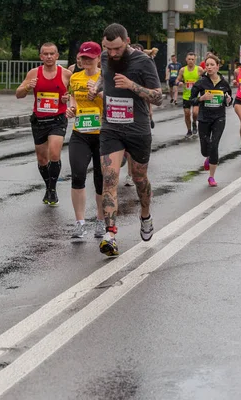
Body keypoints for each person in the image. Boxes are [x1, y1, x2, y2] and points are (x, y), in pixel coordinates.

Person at [88, 23, 162, 257]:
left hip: (138, 130)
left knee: (139, 178)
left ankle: (146, 214)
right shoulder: (105, 57)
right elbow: (105, 78)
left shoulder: (143, 62)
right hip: (111, 127)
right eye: (108, 48)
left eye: (117, 48)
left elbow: (159, 97)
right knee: (109, 179)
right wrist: (96, 88)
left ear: (127, 41)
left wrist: (132, 86)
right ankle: (110, 234)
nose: (112, 53)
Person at [16, 42, 71, 206]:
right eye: (45, 54)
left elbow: (75, 93)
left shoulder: (66, 74)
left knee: (54, 154)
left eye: (51, 54)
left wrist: (68, 99)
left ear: (57, 56)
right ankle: (48, 187)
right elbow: (18, 94)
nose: (48, 57)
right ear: (41, 56)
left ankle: (52, 191)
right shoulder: (34, 73)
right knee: (42, 159)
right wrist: (27, 87)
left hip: (58, 119)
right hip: (39, 120)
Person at [64, 42, 105, 239]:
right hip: (80, 132)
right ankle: (80, 223)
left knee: (100, 180)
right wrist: (70, 109)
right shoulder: (75, 77)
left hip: (102, 134)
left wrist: (98, 91)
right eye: (83, 58)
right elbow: (73, 99)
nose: (86, 61)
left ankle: (100, 220)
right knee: (78, 175)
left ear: (98, 58)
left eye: (90, 58)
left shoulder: (104, 78)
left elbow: (113, 101)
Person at [190, 54, 232, 187]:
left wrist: (228, 100)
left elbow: (229, 101)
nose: (209, 67)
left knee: (214, 145)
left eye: (212, 65)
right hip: (204, 118)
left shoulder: (224, 83)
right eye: (207, 65)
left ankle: (211, 177)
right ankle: (207, 157)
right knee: (205, 149)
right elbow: (190, 100)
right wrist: (201, 99)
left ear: (217, 66)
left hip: (219, 117)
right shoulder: (201, 82)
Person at [176, 52, 204, 138]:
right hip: (186, 95)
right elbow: (177, 80)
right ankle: (189, 130)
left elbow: (206, 78)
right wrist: (179, 83)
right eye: (189, 59)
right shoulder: (183, 70)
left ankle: (194, 123)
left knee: (195, 113)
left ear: (195, 60)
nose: (191, 61)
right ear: (186, 60)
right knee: (187, 113)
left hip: (196, 95)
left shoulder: (199, 69)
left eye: (192, 59)